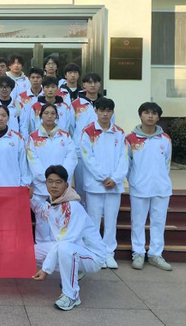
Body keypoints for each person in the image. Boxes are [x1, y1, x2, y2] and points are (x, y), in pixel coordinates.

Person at [32, 165, 105, 311]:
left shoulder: (72, 206)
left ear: (66, 185)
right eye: (50, 181)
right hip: (72, 247)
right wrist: (30, 197)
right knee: (32, 252)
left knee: (65, 249)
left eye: (58, 182)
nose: (53, 186)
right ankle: (75, 270)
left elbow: (65, 242)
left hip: (92, 256)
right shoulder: (53, 203)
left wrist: (46, 270)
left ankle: (71, 296)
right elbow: (41, 211)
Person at [80, 97, 128, 269]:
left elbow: (124, 158)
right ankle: (95, 252)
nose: (105, 114)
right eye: (102, 110)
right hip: (95, 185)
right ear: (96, 111)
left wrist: (115, 179)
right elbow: (87, 158)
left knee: (111, 220)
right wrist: (102, 177)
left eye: (108, 111)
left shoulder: (119, 133)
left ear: (112, 112)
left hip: (114, 185)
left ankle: (108, 253)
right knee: (93, 220)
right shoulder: (88, 132)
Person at [126, 102, 173, 271]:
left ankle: (155, 254)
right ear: (140, 115)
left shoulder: (165, 139)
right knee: (138, 222)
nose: (150, 116)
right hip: (139, 188)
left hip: (161, 188)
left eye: (154, 113)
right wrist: (134, 181)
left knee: (158, 222)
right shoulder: (130, 139)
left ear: (158, 117)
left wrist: (160, 179)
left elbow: (167, 163)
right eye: (146, 113)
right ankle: (138, 252)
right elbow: (127, 164)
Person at [26, 103, 77, 243]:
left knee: (60, 224)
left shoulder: (65, 136)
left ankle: (59, 252)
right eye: (46, 113)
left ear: (57, 116)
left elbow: (71, 157)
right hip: (41, 188)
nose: (49, 116)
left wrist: (60, 179)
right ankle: (43, 252)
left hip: (61, 190)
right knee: (42, 224)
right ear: (41, 116)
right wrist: (48, 179)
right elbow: (32, 160)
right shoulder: (33, 137)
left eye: (52, 113)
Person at [72, 72, 109, 205]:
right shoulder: (75, 104)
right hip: (80, 152)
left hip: (101, 151)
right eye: (89, 82)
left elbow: (110, 127)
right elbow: (70, 127)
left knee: (99, 185)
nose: (93, 85)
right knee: (80, 187)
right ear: (84, 85)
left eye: (96, 82)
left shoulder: (106, 104)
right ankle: (82, 214)